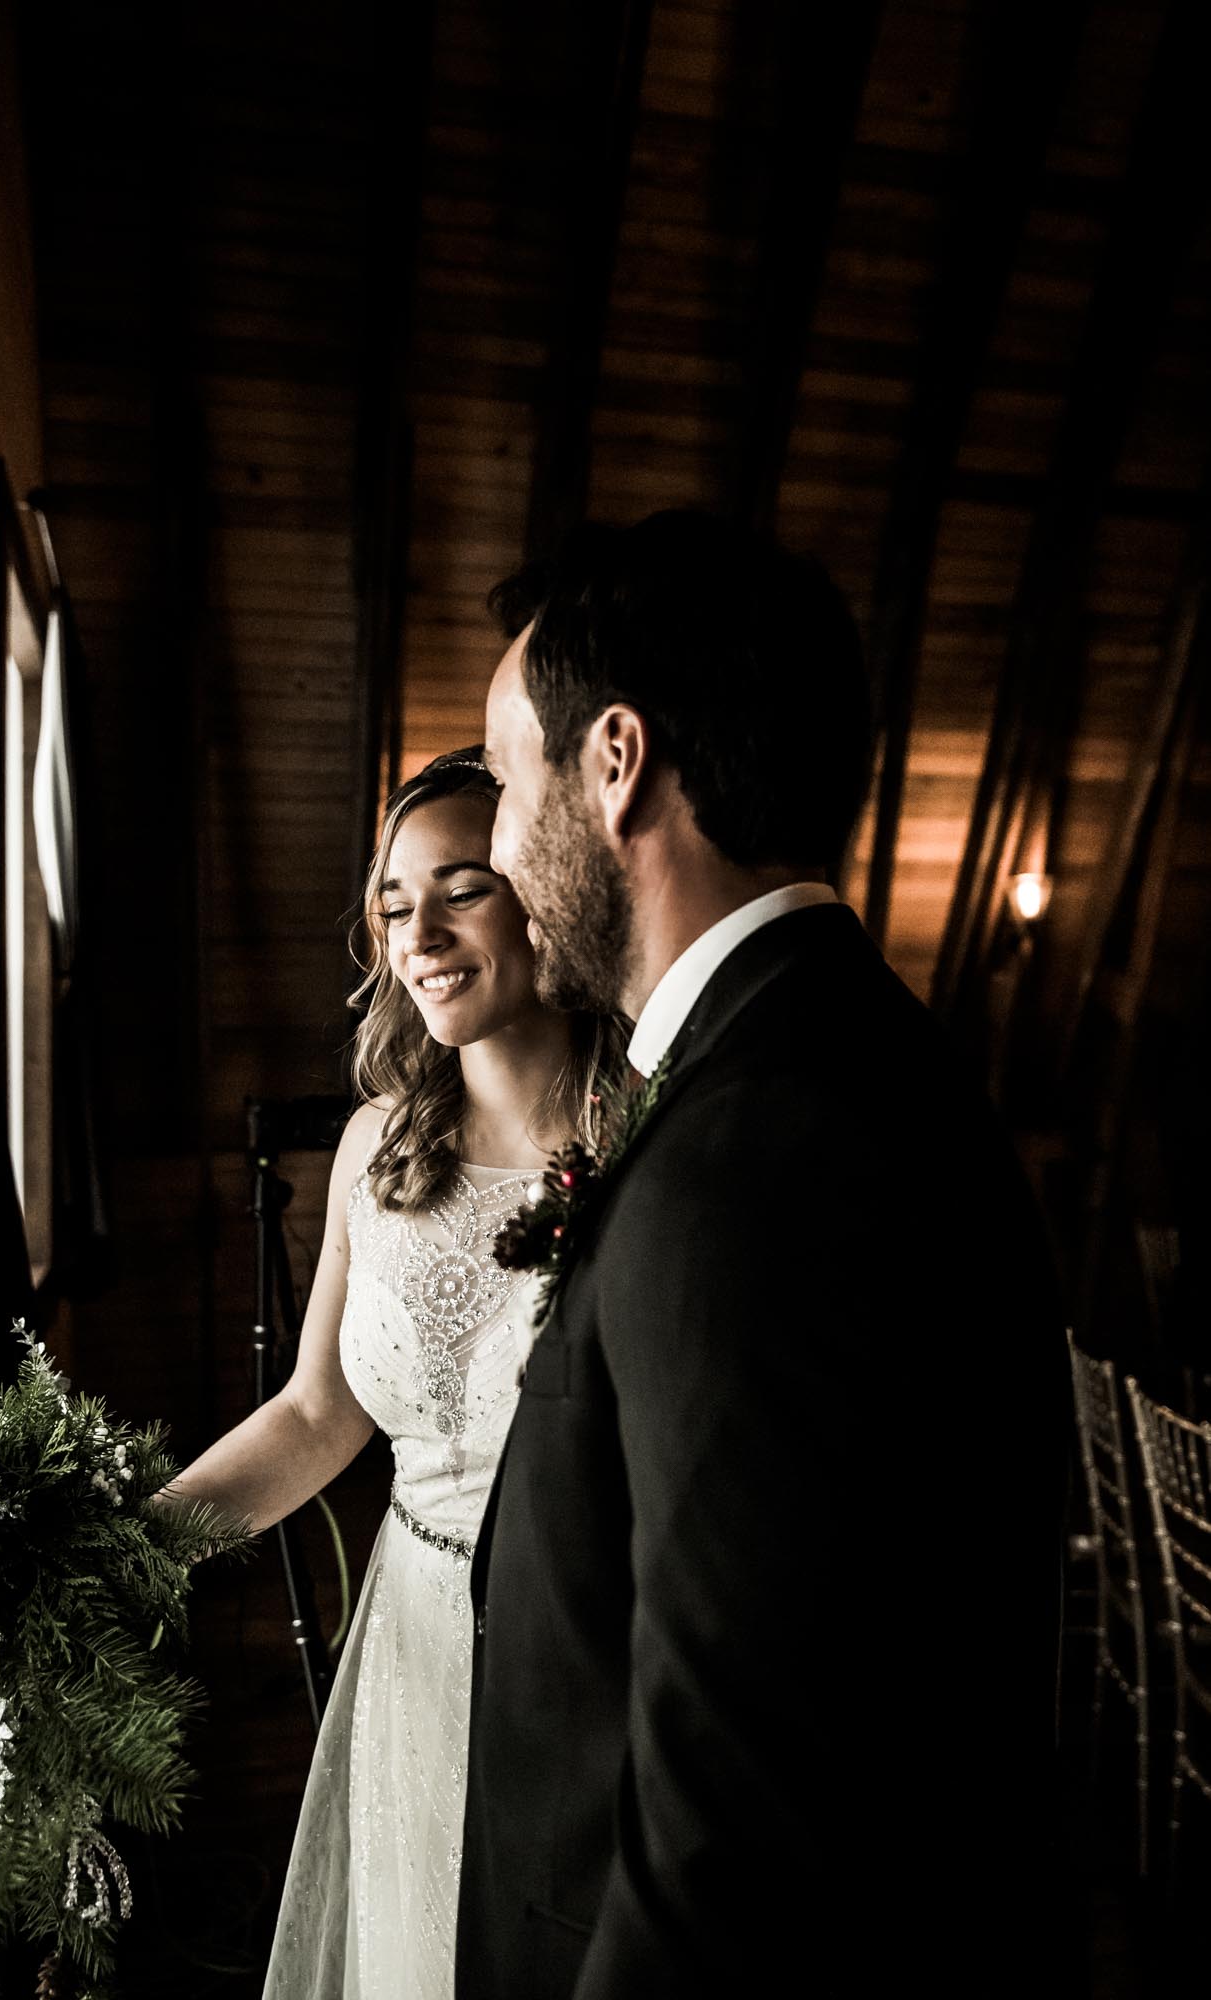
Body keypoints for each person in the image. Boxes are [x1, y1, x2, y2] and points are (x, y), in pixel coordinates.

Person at [459, 512, 1071, 1997]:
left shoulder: (753, 1151)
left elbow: (731, 1836)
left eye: (499, 779)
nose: (489, 850)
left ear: (615, 764)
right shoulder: (842, 1061)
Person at [164, 749, 622, 2000]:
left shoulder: (649, 1137)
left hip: (589, 1661)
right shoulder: (378, 1144)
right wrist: (132, 1545)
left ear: (545, 894)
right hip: (415, 1645)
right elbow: (317, 1414)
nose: (418, 933)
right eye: (392, 902)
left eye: (462, 888)